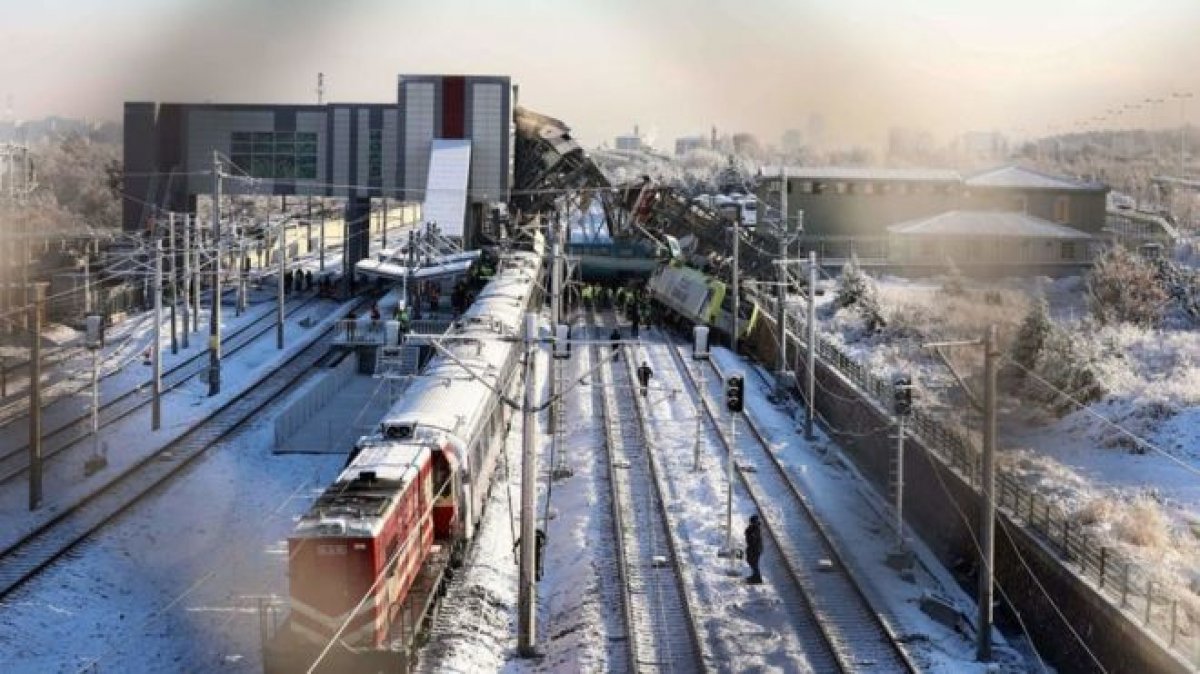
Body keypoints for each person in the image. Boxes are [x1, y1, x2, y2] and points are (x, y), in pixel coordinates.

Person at [745, 514, 763, 584]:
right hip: (754, 548)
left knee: (753, 562)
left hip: (755, 549)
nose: (751, 523)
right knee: (752, 562)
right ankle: (755, 576)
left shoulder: (756, 529)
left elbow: (752, 540)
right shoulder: (753, 528)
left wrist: (749, 534)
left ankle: (757, 578)